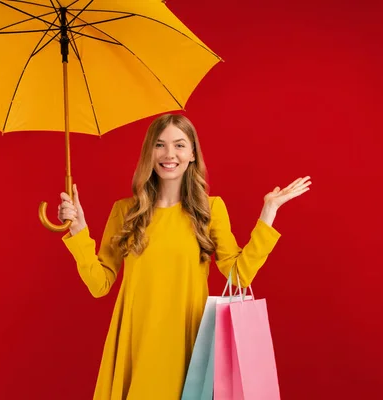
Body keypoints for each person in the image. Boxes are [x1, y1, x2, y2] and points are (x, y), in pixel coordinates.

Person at [57, 113, 311, 400]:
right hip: (136, 345)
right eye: (159, 145)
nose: (169, 154)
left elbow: (239, 276)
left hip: (189, 344)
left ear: (192, 153)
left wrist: (268, 213)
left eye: (179, 145)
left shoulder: (210, 209)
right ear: (148, 152)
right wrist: (79, 231)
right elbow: (99, 284)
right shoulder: (125, 211)